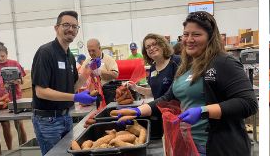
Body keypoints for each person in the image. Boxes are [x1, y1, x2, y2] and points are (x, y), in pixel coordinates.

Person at [115, 12, 257, 156]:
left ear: (210, 37)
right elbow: (167, 98)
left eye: (196, 34)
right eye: (186, 34)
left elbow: (248, 103)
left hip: (217, 146)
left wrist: (203, 111)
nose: (189, 39)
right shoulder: (186, 66)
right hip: (189, 144)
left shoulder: (224, 62)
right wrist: (137, 111)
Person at [30, 11, 95, 155]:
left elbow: (72, 87)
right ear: (56, 28)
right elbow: (41, 92)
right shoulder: (46, 52)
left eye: (74, 26)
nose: (71, 29)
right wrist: (75, 97)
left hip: (66, 116)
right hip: (48, 120)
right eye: (66, 25)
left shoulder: (70, 56)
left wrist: (87, 72)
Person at [126, 34, 179, 99]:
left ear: (162, 45)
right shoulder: (153, 68)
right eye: (148, 47)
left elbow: (174, 93)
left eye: (154, 44)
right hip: (159, 105)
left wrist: (148, 105)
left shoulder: (176, 61)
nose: (151, 48)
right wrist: (135, 88)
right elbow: (154, 92)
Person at [0, 43, 27, 150]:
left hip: (16, 99)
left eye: (2, 56)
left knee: (19, 124)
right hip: (1, 101)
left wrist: (16, 81)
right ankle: (9, 150)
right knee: (5, 126)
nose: (0, 58)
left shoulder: (14, 63)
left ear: (7, 54)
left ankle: (24, 148)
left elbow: (22, 80)